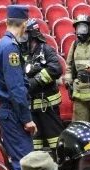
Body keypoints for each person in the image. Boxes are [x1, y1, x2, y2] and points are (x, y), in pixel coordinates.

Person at [0, 5, 37, 170]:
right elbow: (16, 88)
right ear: (24, 24)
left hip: (7, 111)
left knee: (22, 163)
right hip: (13, 112)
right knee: (26, 165)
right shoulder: (10, 48)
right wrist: (27, 120)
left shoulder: (1, 44)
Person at [23, 18, 65, 155]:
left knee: (55, 140)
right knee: (35, 142)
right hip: (31, 107)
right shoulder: (22, 52)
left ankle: (60, 167)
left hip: (47, 106)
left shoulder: (46, 50)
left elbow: (55, 69)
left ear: (32, 34)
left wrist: (35, 81)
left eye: (25, 33)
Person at [64, 15, 90, 123]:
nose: (80, 31)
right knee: (80, 124)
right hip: (80, 91)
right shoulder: (75, 44)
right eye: (78, 28)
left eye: (83, 27)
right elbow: (69, 65)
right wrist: (68, 81)